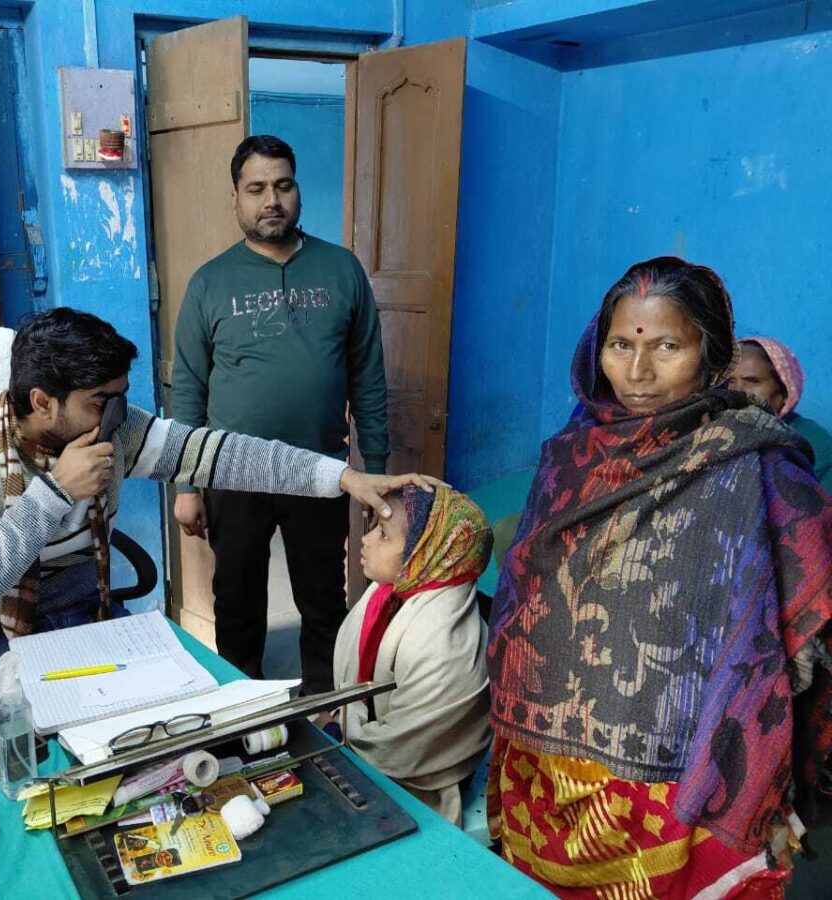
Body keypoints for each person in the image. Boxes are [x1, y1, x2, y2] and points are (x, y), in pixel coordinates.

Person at [486, 257, 832, 897]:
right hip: (542, 759)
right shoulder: (570, 456)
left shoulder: (754, 462)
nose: (637, 372)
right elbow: (524, 589)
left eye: (668, 346)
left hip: (677, 771)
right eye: (621, 345)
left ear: (711, 354)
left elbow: (806, 608)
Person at [0, 308, 426, 670]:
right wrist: (57, 491)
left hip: (81, 611)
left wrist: (342, 477)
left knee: (163, 726)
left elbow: (223, 455)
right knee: (13, 754)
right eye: (100, 401)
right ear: (43, 402)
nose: (116, 415)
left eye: (120, 398)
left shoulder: (116, 429)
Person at [171, 134, 389, 693]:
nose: (271, 200)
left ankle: (325, 704)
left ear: (298, 192)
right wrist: (188, 485)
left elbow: (368, 377)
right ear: (236, 199)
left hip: (321, 470)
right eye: (256, 188)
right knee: (236, 598)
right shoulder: (210, 282)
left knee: (323, 596)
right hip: (233, 472)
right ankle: (244, 705)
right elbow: (189, 389)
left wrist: (377, 470)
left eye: (283, 185)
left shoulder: (341, 270)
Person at [330, 485, 492, 826]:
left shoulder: (442, 642)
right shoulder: (388, 595)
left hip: (419, 779)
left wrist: (338, 729)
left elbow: (404, 749)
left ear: (426, 554)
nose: (366, 540)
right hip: (366, 738)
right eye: (375, 527)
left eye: (384, 535)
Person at [731, 336, 832, 490]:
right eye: (730, 381)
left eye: (753, 381)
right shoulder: (713, 434)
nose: (737, 391)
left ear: (785, 390)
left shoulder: (814, 443)